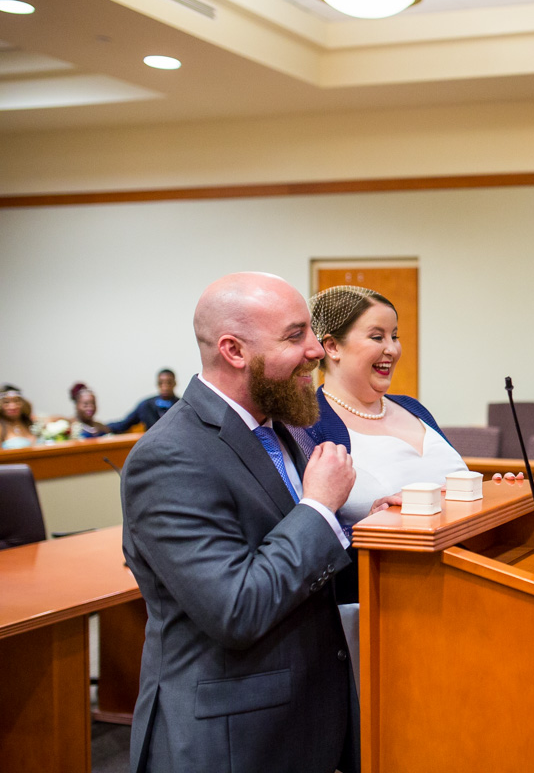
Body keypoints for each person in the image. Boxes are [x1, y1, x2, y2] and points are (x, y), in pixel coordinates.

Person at [121, 272, 359, 773]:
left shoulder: (283, 426)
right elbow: (235, 608)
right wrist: (318, 509)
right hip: (230, 740)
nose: (317, 350)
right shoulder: (169, 456)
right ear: (233, 351)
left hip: (306, 717)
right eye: (296, 336)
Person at [297, 285, 469, 603]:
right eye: (377, 337)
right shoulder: (308, 426)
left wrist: (499, 493)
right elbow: (304, 532)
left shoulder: (413, 407)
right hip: (378, 600)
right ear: (332, 346)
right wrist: (370, 526)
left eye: (395, 336)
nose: (392, 349)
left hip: (462, 580)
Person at [107, 368, 179, 433]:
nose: (165, 387)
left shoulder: (181, 405)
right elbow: (125, 423)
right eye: (161, 383)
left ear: (174, 383)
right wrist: (106, 428)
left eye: (169, 382)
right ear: (157, 384)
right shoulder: (146, 405)